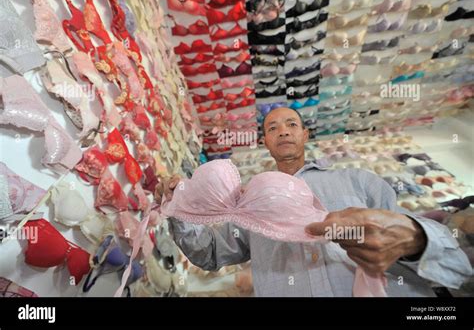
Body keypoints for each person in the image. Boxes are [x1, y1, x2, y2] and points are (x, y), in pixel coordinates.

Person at [156, 107, 472, 296]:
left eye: (292, 124)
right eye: (272, 128)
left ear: (306, 134)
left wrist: (415, 238)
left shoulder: (357, 180)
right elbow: (211, 253)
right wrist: (178, 210)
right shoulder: (248, 200)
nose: (283, 131)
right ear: (265, 142)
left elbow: (456, 265)